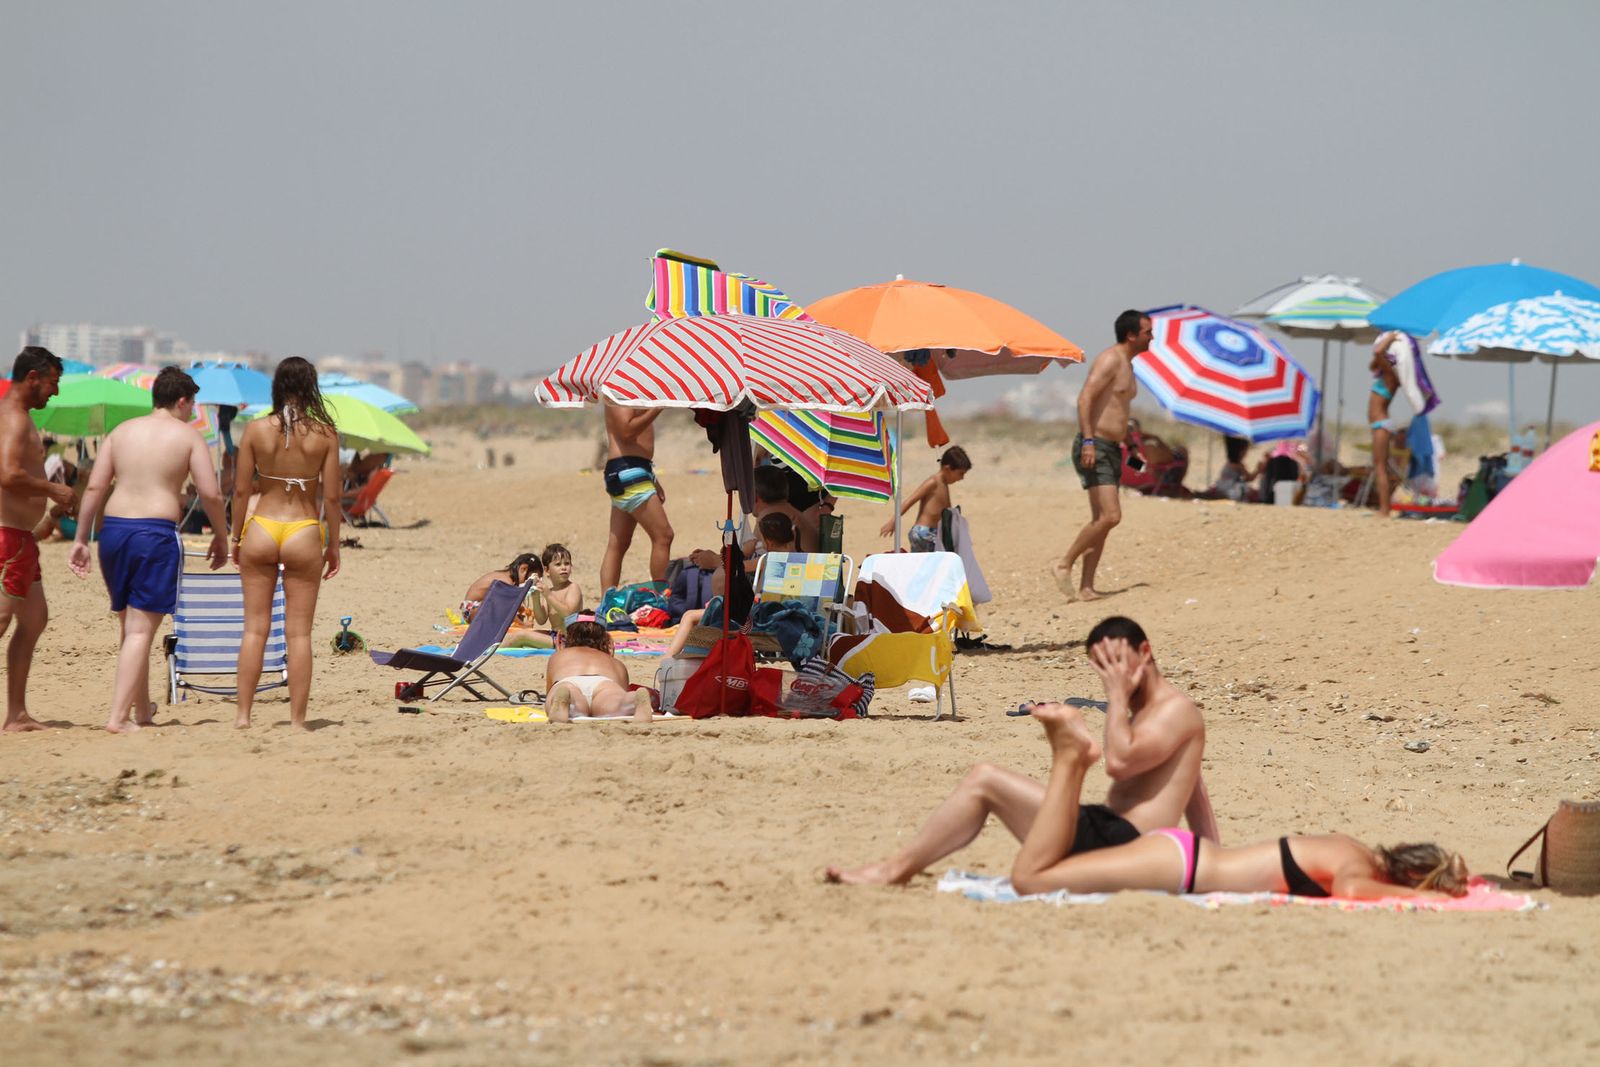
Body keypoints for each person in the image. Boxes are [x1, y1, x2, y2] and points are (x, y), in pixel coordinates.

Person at [826, 616, 1217, 885]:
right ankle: (896, 868)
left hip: (1125, 842)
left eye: (1116, 661)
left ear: (1144, 652)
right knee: (984, 778)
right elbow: (1194, 790)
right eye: (1101, 667)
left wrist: (1114, 697)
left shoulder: (1175, 710)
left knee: (985, 781)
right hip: (1104, 829)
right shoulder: (1148, 712)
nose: (1111, 673)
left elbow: (1118, 762)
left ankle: (893, 872)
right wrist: (1215, 859)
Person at [1009, 702, 1468, 899]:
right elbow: (1353, 892)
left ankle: (1071, 760)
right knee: (1032, 879)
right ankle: (1071, 759)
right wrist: (1438, 900)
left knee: (1041, 873)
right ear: (1409, 876)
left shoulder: (1352, 847)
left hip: (1184, 858)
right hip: (1181, 866)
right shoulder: (1360, 870)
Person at [68, 367, 230, 733]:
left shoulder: (121, 432)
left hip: (113, 533)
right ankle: (119, 718)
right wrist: (221, 535)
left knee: (131, 627)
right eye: (192, 406)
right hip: (154, 533)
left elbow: (94, 489)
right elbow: (211, 493)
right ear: (183, 400)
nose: (192, 414)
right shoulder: (187, 437)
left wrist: (81, 538)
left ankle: (141, 709)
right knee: (141, 631)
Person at [229, 357, 342, 731]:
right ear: (311, 387)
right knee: (299, 633)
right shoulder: (325, 434)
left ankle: (244, 716)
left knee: (254, 629)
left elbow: (242, 489)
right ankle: (296, 721)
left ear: (276, 386)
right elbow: (333, 499)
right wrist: (334, 546)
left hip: (262, 526)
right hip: (303, 529)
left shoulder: (255, 430)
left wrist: (235, 536)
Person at [0, 348, 76, 733]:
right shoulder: (12, 419)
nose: (55, 392)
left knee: (33, 618)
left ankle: (16, 714)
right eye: (52, 383)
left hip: (21, 538)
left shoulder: (21, 418)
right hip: (5, 535)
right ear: (32, 378)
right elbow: (8, 474)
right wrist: (53, 490)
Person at [1054, 310, 1150, 601]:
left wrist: (1131, 446)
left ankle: (1086, 587)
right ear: (1131, 335)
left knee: (1102, 521)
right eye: (1148, 332)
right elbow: (1085, 399)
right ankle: (1063, 563)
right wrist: (1088, 440)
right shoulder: (1110, 359)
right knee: (1111, 516)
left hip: (1112, 447)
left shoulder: (1129, 366)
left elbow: (1119, 411)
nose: (1152, 338)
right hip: (1095, 445)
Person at [600, 403, 674, 592]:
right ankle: (662, 598)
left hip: (634, 468)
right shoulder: (620, 388)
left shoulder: (632, 386)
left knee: (618, 543)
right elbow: (626, 431)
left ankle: (606, 604)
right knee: (663, 536)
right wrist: (657, 408)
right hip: (628, 469)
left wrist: (652, 478)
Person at [546, 620, 652, 723]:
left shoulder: (558, 657)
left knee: (567, 699)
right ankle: (632, 701)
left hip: (568, 682)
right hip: (604, 683)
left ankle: (569, 703)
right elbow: (622, 688)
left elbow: (549, 691)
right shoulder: (615, 663)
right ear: (608, 642)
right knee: (617, 702)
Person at [881, 446, 970, 551]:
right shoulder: (933, 482)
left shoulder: (943, 484)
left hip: (932, 533)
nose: (962, 478)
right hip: (924, 533)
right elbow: (910, 500)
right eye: (960, 473)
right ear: (947, 468)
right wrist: (893, 521)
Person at [1369, 333, 1405, 517]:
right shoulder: (1386, 374)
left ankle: (1384, 509)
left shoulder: (1392, 376)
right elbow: (1373, 364)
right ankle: (1385, 506)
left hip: (1381, 424)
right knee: (1383, 466)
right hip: (1380, 424)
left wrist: (1390, 337)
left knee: (1380, 466)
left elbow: (1378, 352)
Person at [461, 552, 543, 624]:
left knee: (513, 611)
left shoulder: (505, 575)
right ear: (523, 569)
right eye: (530, 580)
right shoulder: (506, 581)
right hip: (472, 609)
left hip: (472, 608)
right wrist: (523, 625)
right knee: (506, 610)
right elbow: (505, 609)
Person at [752, 465, 816, 553]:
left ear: (754, 495)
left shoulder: (771, 517)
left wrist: (739, 563)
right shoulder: (786, 510)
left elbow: (773, 561)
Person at [538, 542, 583, 624]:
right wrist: (535, 598)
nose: (563, 567)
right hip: (555, 634)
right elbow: (541, 620)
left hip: (571, 635)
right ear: (547, 570)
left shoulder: (573, 588)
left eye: (567, 563)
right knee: (524, 633)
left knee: (523, 635)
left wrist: (549, 596)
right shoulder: (549, 591)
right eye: (558, 564)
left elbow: (569, 615)